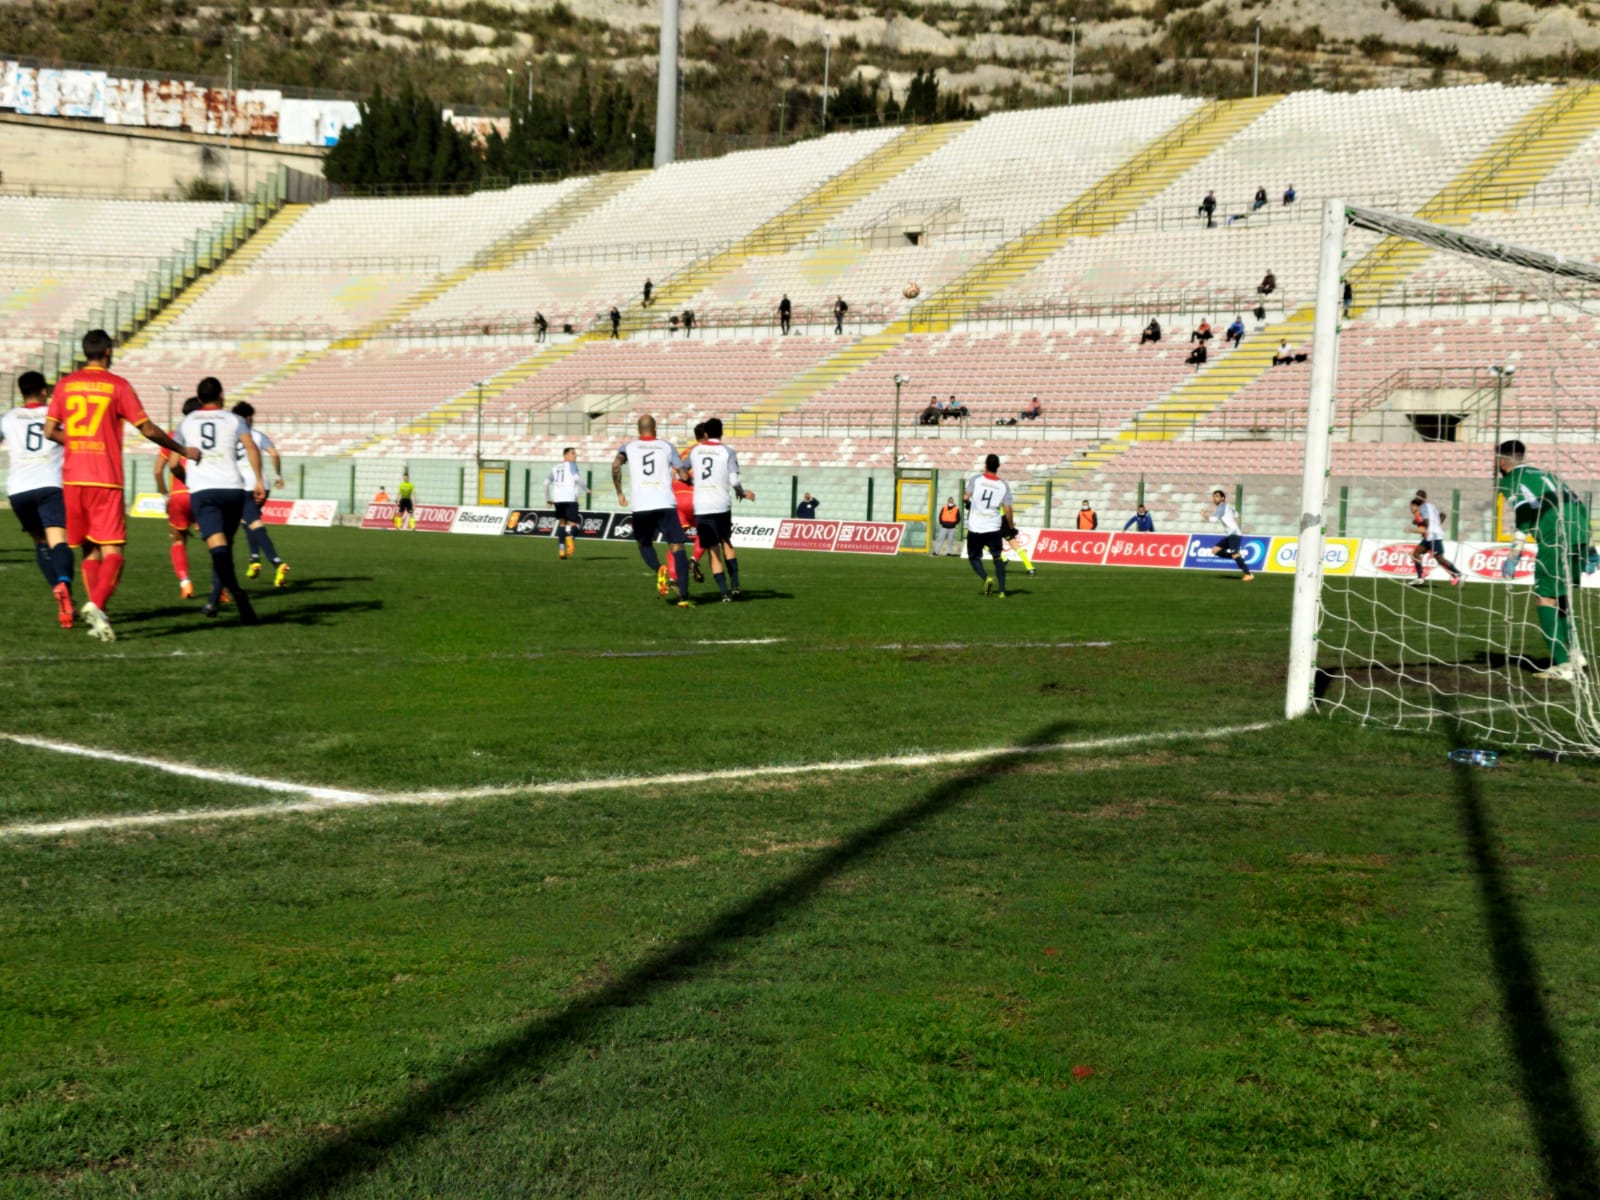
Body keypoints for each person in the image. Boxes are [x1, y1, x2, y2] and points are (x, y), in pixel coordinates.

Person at [43, 328, 196, 642]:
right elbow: (149, 429)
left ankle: (101, 616)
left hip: (72, 478)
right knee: (115, 551)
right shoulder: (117, 385)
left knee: (89, 549)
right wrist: (182, 450)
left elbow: (49, 431)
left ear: (85, 352)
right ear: (109, 351)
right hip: (105, 479)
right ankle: (97, 604)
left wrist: (75, 441)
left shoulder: (65, 385)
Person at [1497, 439, 1592, 679]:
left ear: (1502, 461)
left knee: (1545, 597)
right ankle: (1576, 653)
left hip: (1554, 537)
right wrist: (1588, 543)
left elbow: (1524, 512)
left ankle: (1563, 665)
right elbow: (1577, 503)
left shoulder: (1510, 480)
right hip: (1578, 531)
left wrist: (1514, 553)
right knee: (1561, 595)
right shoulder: (1545, 474)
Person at [176, 377, 266, 623]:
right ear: (221, 395)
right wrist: (258, 480)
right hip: (233, 489)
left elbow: (174, 463)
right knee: (225, 549)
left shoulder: (186, 422)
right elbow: (251, 447)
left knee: (219, 551)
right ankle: (214, 601)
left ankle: (237, 594)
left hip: (205, 492)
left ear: (199, 397)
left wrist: (187, 479)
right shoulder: (234, 419)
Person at [1, 370, 75, 627]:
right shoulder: (56, 415)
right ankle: (64, 583)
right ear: (45, 391)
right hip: (50, 485)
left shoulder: (8, 417)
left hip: (19, 490)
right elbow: (73, 441)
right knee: (58, 542)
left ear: (22, 392)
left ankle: (59, 592)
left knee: (40, 543)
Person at [612, 414, 692, 607]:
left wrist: (620, 492)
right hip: (665, 502)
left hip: (641, 505)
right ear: (655, 428)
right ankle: (683, 595)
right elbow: (682, 473)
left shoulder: (628, 448)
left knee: (644, 543)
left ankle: (659, 568)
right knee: (677, 546)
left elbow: (616, 466)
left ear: (639, 430)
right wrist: (686, 478)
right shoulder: (667, 446)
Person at [688, 416, 756, 602]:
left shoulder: (695, 451)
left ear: (706, 433)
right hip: (721, 504)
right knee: (726, 542)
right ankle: (735, 587)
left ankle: (724, 593)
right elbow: (734, 480)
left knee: (712, 549)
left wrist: (693, 481)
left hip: (702, 506)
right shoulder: (728, 452)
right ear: (722, 432)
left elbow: (682, 471)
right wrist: (741, 492)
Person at [231, 400, 289, 586]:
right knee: (247, 520)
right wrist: (278, 475)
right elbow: (274, 454)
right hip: (262, 483)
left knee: (253, 522)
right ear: (248, 417)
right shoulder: (257, 435)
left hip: (243, 486)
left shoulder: (230, 436)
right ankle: (254, 559)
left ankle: (276, 562)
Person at [153, 395, 202, 599]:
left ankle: (185, 583)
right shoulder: (203, 435)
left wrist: (165, 495)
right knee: (216, 541)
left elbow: (157, 471)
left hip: (178, 496)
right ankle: (221, 588)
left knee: (178, 540)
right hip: (201, 493)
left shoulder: (174, 435)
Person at [965, 454, 1013, 597]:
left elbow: (965, 497)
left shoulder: (976, 480)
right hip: (993, 526)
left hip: (975, 526)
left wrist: (968, 502)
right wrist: (1010, 525)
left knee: (974, 558)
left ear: (985, 465)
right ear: (998, 467)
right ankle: (1002, 591)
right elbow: (1008, 508)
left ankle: (987, 579)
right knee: (997, 557)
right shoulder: (1003, 485)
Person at [1407, 490, 1463, 588]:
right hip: (1430, 536)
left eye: (1418, 497)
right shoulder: (1431, 506)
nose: (1417, 499)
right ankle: (1420, 577)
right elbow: (1443, 515)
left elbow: (1427, 523)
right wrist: (1437, 524)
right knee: (1416, 553)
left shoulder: (1423, 508)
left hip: (1435, 537)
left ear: (1422, 498)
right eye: (1416, 497)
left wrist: (1416, 522)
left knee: (1440, 559)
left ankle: (1456, 573)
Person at [545, 447, 589, 559]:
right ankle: (570, 542)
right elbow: (576, 478)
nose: (575, 455)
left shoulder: (555, 468)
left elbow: (545, 483)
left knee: (562, 524)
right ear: (566, 456)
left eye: (575, 453)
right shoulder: (572, 465)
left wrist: (548, 498)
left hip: (558, 500)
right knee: (574, 525)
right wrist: (586, 489)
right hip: (570, 498)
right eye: (573, 453)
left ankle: (561, 550)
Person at [1204, 487, 1254, 581]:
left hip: (1234, 534)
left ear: (1223, 498)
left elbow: (1214, 520)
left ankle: (1248, 574)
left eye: (1217, 496)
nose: (1215, 498)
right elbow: (1237, 515)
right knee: (1215, 550)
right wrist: (1235, 525)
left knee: (1235, 553)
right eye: (1214, 496)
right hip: (1231, 533)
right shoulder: (1229, 506)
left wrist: (1204, 515)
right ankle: (1234, 557)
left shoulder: (1222, 507)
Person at [999, 511, 1036, 576]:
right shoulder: (1002, 501)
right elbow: (1008, 509)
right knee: (1015, 545)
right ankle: (1030, 568)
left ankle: (1004, 559)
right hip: (1004, 520)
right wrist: (1010, 524)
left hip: (995, 521)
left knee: (982, 542)